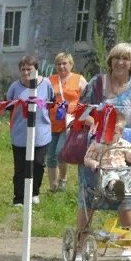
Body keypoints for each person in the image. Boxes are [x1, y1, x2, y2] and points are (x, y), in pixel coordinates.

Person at [75, 42, 131, 261]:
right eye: (117, 57)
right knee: (89, 197)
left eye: (126, 59)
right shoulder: (96, 83)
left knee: (126, 196)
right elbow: (81, 112)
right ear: (110, 60)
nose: (120, 62)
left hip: (124, 149)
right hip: (96, 147)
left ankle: (128, 244)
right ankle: (81, 246)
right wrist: (97, 126)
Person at [5, 55, 55, 207]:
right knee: (20, 166)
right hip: (20, 133)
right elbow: (8, 105)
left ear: (36, 70)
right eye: (23, 69)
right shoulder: (15, 86)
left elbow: (52, 102)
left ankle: (34, 192)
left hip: (41, 132)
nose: (26, 73)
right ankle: (19, 198)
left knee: (38, 164)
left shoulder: (46, 83)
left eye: (29, 69)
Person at [82, 113, 131, 203]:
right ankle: (116, 188)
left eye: (114, 133)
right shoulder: (96, 144)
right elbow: (86, 159)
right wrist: (93, 163)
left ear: (121, 134)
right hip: (106, 171)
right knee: (112, 177)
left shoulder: (123, 144)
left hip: (124, 171)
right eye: (106, 131)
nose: (109, 135)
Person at [46, 52, 87, 192]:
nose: (61, 66)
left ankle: (63, 180)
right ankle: (53, 186)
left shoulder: (79, 79)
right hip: (51, 123)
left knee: (60, 152)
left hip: (70, 123)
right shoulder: (50, 80)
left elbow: (89, 100)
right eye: (58, 64)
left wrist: (83, 117)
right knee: (50, 155)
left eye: (64, 63)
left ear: (71, 64)